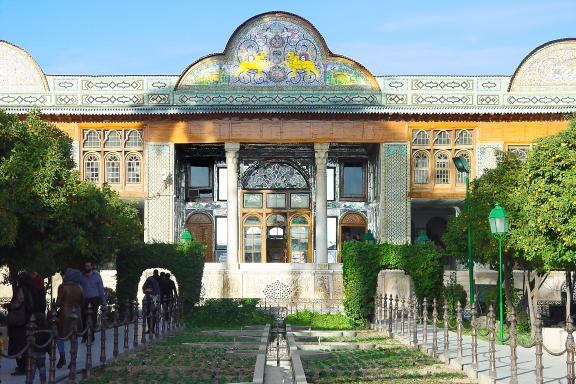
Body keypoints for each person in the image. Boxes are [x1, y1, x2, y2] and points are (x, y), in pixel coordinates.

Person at [7, 271, 36, 376]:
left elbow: (18, 303)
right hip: (27, 320)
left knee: (18, 344)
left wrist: (9, 306)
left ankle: (22, 367)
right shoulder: (31, 289)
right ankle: (26, 365)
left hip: (19, 322)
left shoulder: (21, 289)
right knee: (25, 343)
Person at [55, 268, 84, 369]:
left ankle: (62, 357)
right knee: (74, 338)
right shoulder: (80, 287)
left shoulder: (63, 287)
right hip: (77, 314)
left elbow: (58, 303)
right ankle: (73, 360)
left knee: (59, 336)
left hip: (64, 314)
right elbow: (82, 302)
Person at [79, 262, 105, 343]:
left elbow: (101, 288)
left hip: (94, 299)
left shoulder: (97, 276)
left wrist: (103, 300)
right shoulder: (81, 276)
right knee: (83, 318)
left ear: (91, 267)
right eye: (85, 266)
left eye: (88, 266)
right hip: (84, 299)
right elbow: (78, 288)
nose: (87, 267)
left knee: (93, 318)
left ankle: (92, 336)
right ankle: (84, 336)